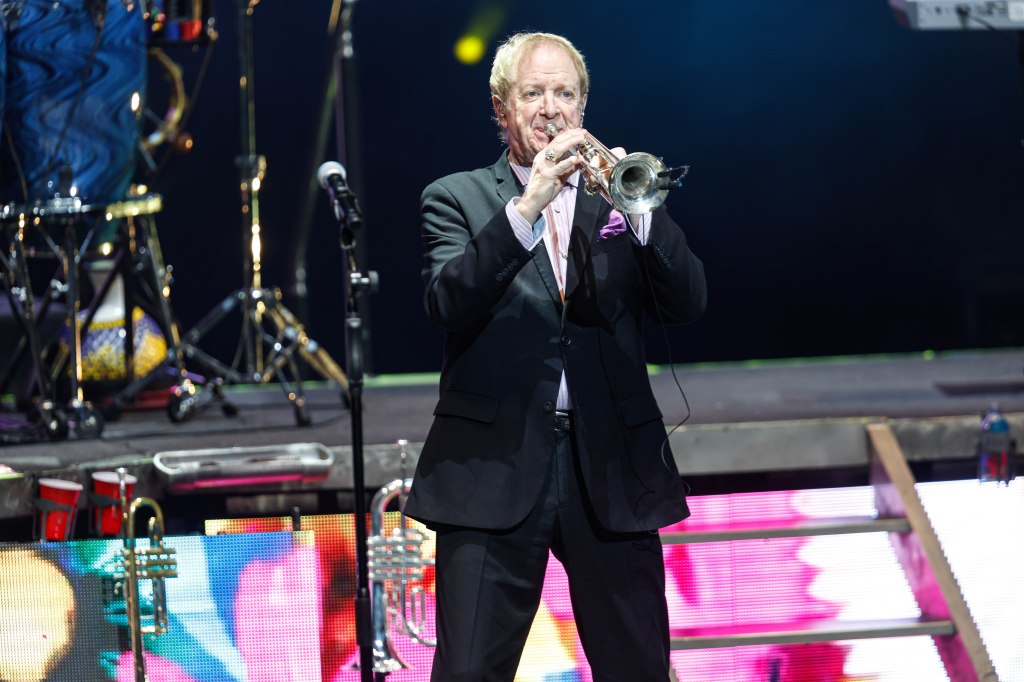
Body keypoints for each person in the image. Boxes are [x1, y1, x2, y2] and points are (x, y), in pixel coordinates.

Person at [405, 31, 707, 681]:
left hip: (613, 470)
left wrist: (641, 213)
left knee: (639, 670)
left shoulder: (617, 197)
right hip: (493, 468)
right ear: (501, 108)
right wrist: (528, 206)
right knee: (468, 672)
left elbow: (688, 302)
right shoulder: (455, 197)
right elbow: (448, 302)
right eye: (533, 93)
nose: (551, 109)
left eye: (565, 94)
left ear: (583, 105)